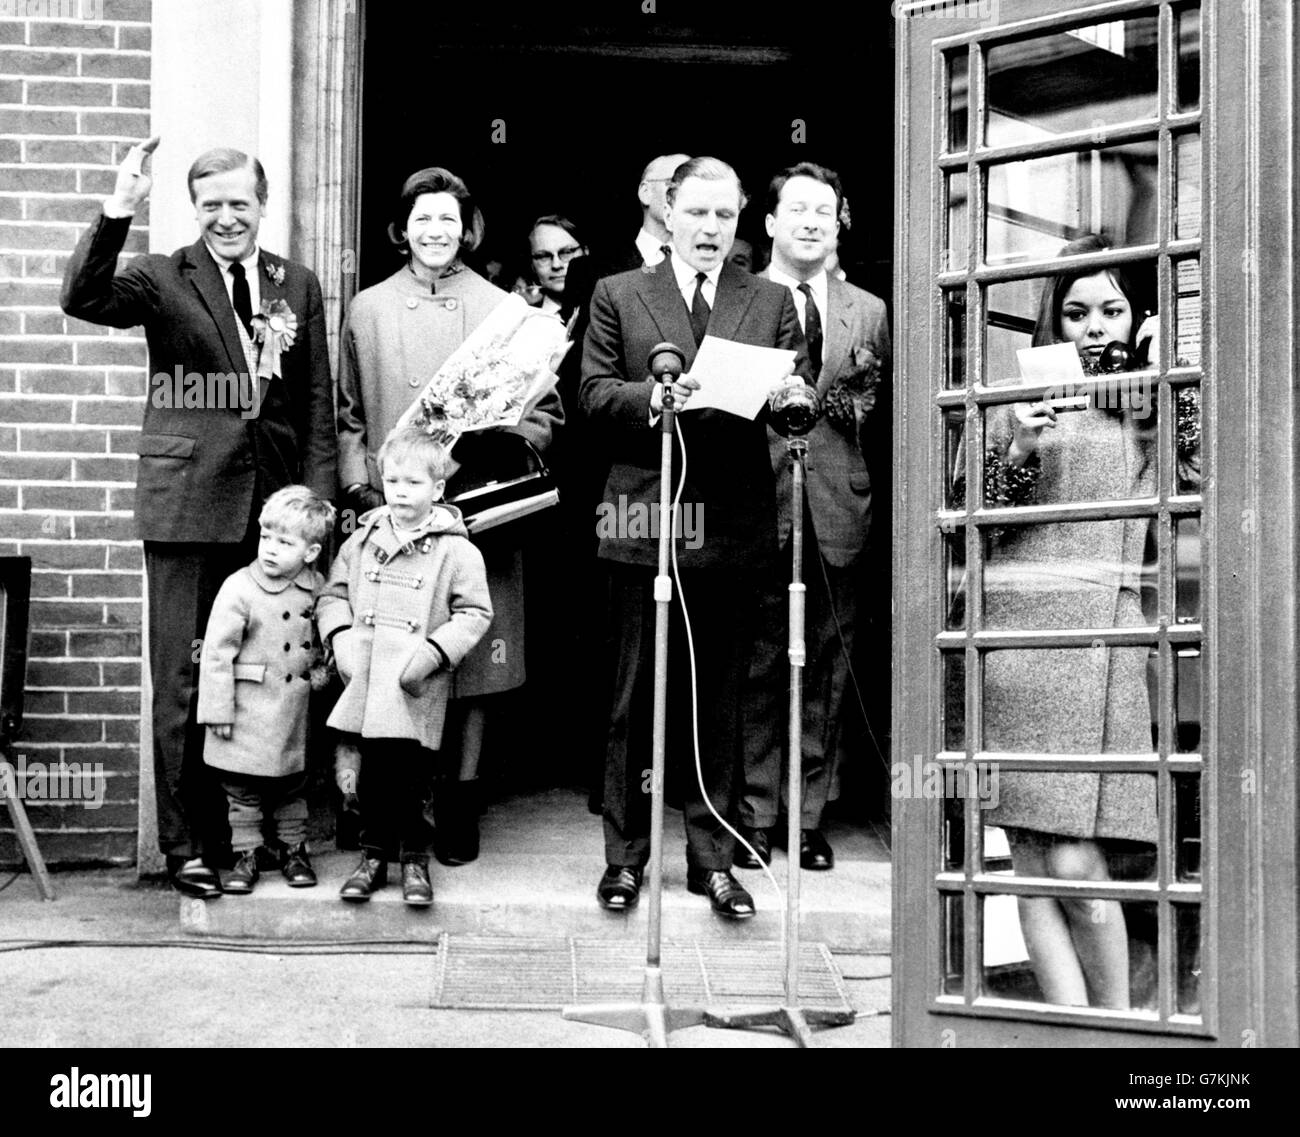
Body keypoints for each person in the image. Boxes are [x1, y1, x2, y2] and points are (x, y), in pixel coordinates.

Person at [61, 138, 337, 900]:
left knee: (274, 676)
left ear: (262, 205)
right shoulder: (158, 276)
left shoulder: (295, 284)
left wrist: (315, 510)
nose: (225, 218)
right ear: (194, 209)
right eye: (210, 204)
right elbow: (82, 298)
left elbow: (314, 403)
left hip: (273, 517)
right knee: (185, 678)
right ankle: (189, 845)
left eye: (238, 204)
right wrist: (120, 207)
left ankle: (264, 838)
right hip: (187, 506)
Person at [971, 233, 1197, 1008]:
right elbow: (967, 521)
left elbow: (1206, 470)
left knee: (1076, 865)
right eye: (1074, 312)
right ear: (1053, 321)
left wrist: (1169, 361)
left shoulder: (1149, 401)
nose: (1092, 326)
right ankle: (1076, 1023)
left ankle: (1118, 1023)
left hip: (1098, 645)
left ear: (1135, 317)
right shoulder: (1010, 399)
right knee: (1032, 859)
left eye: (1110, 309)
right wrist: (1023, 444)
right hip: (1015, 646)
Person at [580, 156, 810, 920]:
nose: (711, 230)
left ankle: (713, 859)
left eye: (725, 217)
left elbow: (787, 396)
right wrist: (655, 397)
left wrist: (789, 395)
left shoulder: (770, 298)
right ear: (668, 213)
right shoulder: (618, 292)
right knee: (631, 698)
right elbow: (592, 392)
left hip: (733, 521)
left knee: (721, 700)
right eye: (698, 215)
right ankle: (624, 858)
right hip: (644, 513)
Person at [335, 167, 563, 865]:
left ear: (469, 229)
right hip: (392, 512)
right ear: (401, 229)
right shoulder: (367, 309)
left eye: (450, 220)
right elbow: (346, 415)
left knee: (472, 663)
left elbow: (544, 414)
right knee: (390, 654)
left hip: (474, 519)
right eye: (422, 219)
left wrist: (486, 457)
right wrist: (362, 491)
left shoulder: (504, 310)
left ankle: (461, 802)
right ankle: (390, 811)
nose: (436, 232)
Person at [739, 162, 891, 873]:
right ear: (768, 222)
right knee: (759, 660)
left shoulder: (868, 310)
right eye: (795, 208)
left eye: (822, 211)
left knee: (827, 664)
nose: (809, 221)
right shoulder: (737, 298)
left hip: (838, 503)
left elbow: (875, 417)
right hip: (754, 503)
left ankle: (808, 814)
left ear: (837, 223)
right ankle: (753, 811)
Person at [317, 427, 493, 906]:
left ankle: (415, 862)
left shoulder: (456, 549)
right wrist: (341, 639)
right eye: (391, 481)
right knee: (372, 773)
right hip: (368, 674)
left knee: (416, 777)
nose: (399, 492)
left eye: (412, 483)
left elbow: (475, 613)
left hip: (416, 680)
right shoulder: (361, 541)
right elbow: (332, 595)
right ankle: (373, 858)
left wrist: (434, 653)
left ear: (437, 490)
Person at [197, 486, 335, 893]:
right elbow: (217, 654)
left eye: (284, 542)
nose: (270, 549)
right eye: (266, 537)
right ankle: (247, 855)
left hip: (293, 707)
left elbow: (323, 638)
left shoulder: (317, 587)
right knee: (242, 789)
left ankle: (294, 850)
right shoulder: (239, 587)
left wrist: (323, 670)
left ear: (309, 553)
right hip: (247, 708)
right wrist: (217, 709)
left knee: (294, 785)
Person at [526, 214, 587, 317]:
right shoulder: (525, 318)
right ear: (532, 265)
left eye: (567, 252)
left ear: (585, 252)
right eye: (543, 256)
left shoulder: (609, 309)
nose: (556, 265)